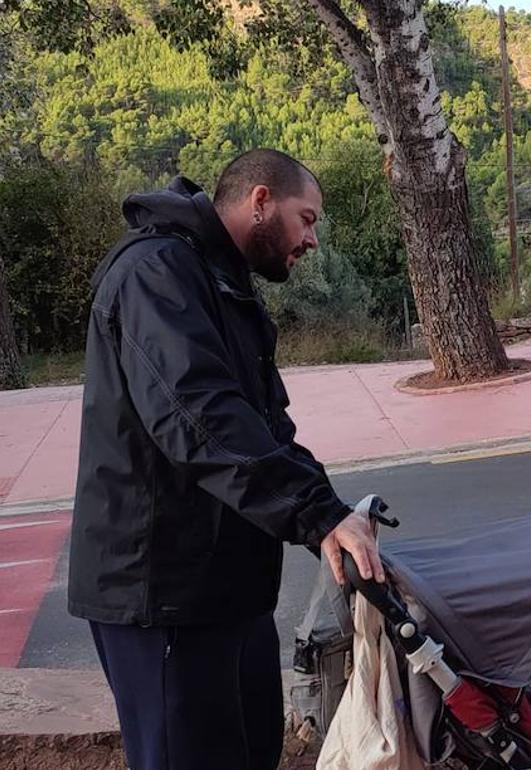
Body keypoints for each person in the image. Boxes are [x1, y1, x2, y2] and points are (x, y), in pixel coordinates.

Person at [68, 148, 384, 770]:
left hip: (226, 592)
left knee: (251, 750)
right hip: (163, 595)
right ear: (260, 201)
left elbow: (267, 427)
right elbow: (200, 418)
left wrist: (330, 513)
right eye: (307, 218)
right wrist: (316, 516)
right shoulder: (155, 274)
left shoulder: (219, 282)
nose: (312, 239)